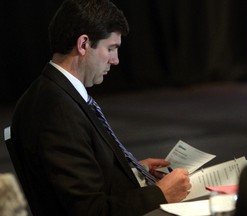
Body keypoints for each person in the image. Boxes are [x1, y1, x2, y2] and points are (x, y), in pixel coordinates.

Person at [10, 0, 191, 215]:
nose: (115, 60)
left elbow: (75, 176)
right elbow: (88, 210)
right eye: (111, 48)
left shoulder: (50, 92)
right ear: (84, 44)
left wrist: (131, 171)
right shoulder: (58, 111)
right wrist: (160, 193)